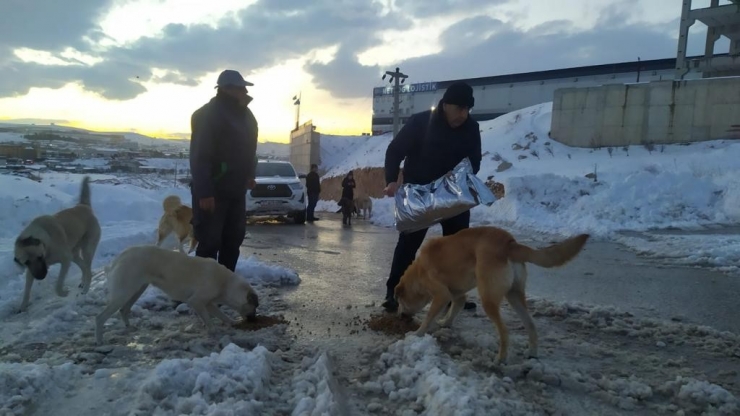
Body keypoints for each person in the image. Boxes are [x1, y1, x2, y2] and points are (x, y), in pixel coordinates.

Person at [381, 81, 482, 313]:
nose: (463, 114)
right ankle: (395, 292)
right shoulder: (421, 122)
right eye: (459, 108)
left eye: (467, 110)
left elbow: (474, 161)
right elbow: (395, 150)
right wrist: (391, 179)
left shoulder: (471, 128)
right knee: (408, 245)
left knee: (456, 249)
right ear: (446, 104)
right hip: (420, 195)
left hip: (452, 195)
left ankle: (453, 297)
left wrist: (460, 175)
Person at [189, 69, 258, 272]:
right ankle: (203, 292)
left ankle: (224, 287)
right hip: (214, 190)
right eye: (241, 87)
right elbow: (200, 154)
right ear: (227, 89)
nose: (245, 91)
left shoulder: (246, 116)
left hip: (236, 190)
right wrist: (205, 192)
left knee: (233, 240)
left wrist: (250, 173)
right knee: (209, 242)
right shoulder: (207, 114)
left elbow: (250, 149)